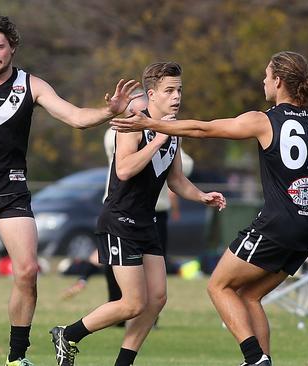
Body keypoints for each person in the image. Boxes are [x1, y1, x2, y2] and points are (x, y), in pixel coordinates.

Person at [111, 51, 308, 366]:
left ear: (277, 81)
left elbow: (203, 130)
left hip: (275, 226)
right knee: (249, 296)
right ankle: (263, 362)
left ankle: (253, 358)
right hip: (306, 232)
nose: (263, 81)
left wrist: (151, 123)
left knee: (218, 286)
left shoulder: (264, 120)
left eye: (266, 76)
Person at [0, 14, 141, 366]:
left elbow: (74, 117)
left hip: (12, 192)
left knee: (26, 271)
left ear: (12, 47)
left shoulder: (32, 85)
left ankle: (16, 357)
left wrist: (109, 111)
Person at [50, 62, 226, 366]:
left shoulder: (173, 131)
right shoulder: (132, 125)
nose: (176, 96)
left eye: (179, 90)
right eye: (169, 90)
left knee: (156, 300)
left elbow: (176, 180)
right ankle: (68, 334)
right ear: (152, 95)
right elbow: (124, 169)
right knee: (132, 303)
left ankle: (123, 363)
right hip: (119, 221)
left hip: (146, 222)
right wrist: (157, 137)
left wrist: (201, 196)